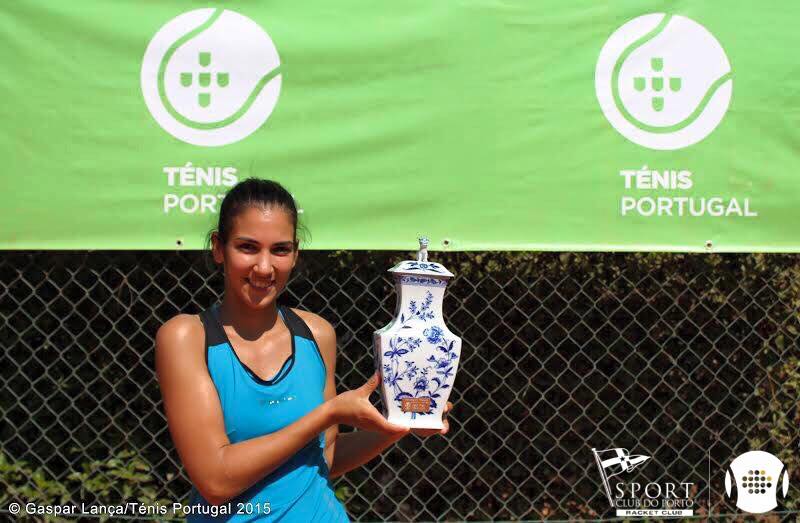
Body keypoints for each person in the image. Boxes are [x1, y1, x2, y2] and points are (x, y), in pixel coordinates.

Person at [155, 178, 452, 522]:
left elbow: (324, 458)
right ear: (218, 248)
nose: (264, 267)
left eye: (280, 250)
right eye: (248, 247)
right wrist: (329, 414)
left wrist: (400, 421)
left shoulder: (316, 333)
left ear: (295, 254)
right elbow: (216, 481)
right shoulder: (186, 336)